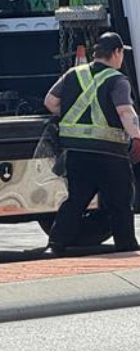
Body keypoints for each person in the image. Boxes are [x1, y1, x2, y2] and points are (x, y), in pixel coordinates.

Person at [44, 32, 140, 254]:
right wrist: (137, 137)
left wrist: (73, 116)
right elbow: (125, 112)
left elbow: (50, 102)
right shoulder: (117, 80)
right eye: (121, 54)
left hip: (77, 152)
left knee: (76, 200)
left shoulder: (73, 74)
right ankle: (126, 244)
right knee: (119, 201)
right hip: (110, 153)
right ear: (116, 52)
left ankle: (56, 244)